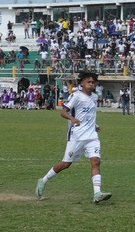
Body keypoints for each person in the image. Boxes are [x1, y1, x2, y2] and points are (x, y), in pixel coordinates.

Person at [37, 70, 111, 203]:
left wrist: (95, 125)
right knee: (66, 164)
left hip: (92, 137)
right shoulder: (76, 96)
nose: (91, 84)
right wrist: (72, 118)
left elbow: (88, 115)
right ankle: (43, 180)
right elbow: (63, 112)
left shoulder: (93, 97)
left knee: (96, 161)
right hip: (76, 136)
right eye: (88, 81)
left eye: (93, 82)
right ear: (81, 83)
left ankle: (97, 193)